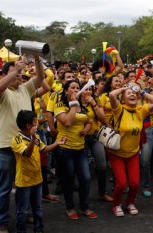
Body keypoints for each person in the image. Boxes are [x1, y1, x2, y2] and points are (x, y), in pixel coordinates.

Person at [0, 54, 45, 233]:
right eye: (14, 72)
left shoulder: (24, 89)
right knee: (5, 187)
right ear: (4, 74)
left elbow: (40, 78)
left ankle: (25, 213)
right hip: (6, 147)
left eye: (20, 73)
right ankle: (1, 222)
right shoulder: (0, 92)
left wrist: (37, 59)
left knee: (27, 184)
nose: (18, 75)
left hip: (26, 145)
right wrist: (15, 68)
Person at [108, 82, 153, 217]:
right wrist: (126, 87)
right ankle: (116, 204)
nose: (132, 94)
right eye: (128, 94)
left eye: (134, 94)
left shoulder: (140, 110)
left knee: (135, 183)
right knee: (122, 184)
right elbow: (112, 94)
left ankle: (130, 203)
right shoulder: (119, 109)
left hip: (133, 153)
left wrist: (142, 92)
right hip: (117, 153)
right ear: (123, 99)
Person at [11, 110, 65, 233]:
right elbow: (27, 153)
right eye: (35, 122)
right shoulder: (17, 139)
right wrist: (32, 139)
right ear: (28, 126)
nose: (37, 123)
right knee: (22, 210)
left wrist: (57, 143)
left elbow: (44, 149)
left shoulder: (35, 137)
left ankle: (39, 228)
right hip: (24, 182)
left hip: (37, 179)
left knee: (37, 208)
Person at [54, 79, 97, 220]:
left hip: (80, 148)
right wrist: (73, 104)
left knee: (85, 178)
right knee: (69, 180)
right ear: (66, 91)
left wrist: (86, 128)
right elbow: (67, 122)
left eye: (77, 87)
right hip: (65, 149)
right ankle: (70, 207)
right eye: (72, 88)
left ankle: (84, 207)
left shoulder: (82, 107)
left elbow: (89, 120)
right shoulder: (60, 105)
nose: (75, 90)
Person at [81, 82, 113, 202]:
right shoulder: (77, 102)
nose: (88, 92)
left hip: (95, 137)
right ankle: (83, 196)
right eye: (85, 89)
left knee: (102, 166)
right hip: (81, 138)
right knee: (83, 171)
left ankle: (102, 192)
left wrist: (94, 103)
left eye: (90, 89)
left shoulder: (96, 100)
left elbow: (102, 117)